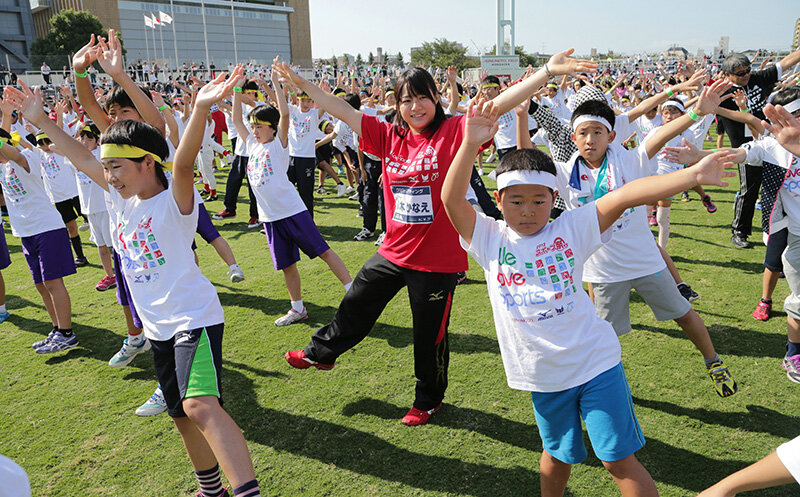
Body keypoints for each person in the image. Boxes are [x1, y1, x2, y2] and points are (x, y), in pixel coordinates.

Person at [279, 49, 598, 426]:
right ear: (397, 105)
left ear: (435, 98)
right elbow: (341, 110)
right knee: (357, 300)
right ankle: (322, 352)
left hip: (437, 260)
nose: (415, 107)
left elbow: (498, 104)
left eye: (422, 97)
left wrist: (546, 71)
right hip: (394, 251)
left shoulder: (452, 132)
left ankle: (428, 399)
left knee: (429, 336)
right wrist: (301, 85)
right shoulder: (387, 135)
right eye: (406, 99)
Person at [440, 96, 736, 497]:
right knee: (557, 455)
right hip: (544, 376)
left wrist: (693, 175)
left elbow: (627, 196)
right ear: (499, 201)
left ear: (553, 199)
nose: (528, 211)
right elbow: (451, 200)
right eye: (516, 201)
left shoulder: (571, 229)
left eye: (539, 201)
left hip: (596, 363)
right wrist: (471, 144)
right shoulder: (488, 237)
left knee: (617, 460)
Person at [5, 70, 264, 497]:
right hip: (158, 328)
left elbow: (181, 161)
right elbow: (79, 157)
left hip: (191, 319)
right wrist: (42, 122)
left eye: (117, 166)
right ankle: (210, 490)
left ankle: (246, 493)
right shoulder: (118, 201)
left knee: (200, 405)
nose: (108, 175)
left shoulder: (175, 200)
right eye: (105, 167)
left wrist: (199, 108)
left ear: (148, 162)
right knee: (181, 415)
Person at [519, 81, 739, 398]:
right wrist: (524, 117)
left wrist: (696, 112)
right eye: (583, 133)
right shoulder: (565, 172)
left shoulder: (629, 159)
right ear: (573, 138)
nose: (590, 139)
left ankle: (713, 361)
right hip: (602, 273)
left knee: (684, 314)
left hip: (645, 261)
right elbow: (528, 159)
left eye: (597, 132)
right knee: (604, 336)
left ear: (612, 135)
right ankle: (607, 386)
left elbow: (659, 135)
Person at [663, 93, 800, 385]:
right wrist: (698, 158)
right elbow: (737, 153)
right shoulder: (773, 146)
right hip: (796, 237)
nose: (788, 124)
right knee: (799, 302)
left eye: (793, 116)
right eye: (782, 119)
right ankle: (794, 352)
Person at [230, 61, 352, 326]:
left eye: (259, 126)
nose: (254, 130)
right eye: (253, 126)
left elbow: (284, 113)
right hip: (270, 218)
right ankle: (297, 309)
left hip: (292, 212)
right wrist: (237, 89)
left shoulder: (279, 144)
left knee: (324, 251)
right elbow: (236, 119)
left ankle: (353, 292)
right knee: (287, 265)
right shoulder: (252, 145)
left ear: (272, 128)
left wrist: (275, 83)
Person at [0, 126, 76, 353]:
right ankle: (56, 329)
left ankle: (67, 333)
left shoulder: (26, 159)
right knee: (40, 285)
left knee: (53, 282)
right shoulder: (1, 169)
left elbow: (15, 152)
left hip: (47, 228)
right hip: (26, 233)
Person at [720, 48, 800, 248]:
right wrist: (744, 110)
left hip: (774, 142)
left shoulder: (757, 78)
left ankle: (781, 229)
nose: (746, 75)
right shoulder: (724, 94)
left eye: (748, 70)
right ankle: (739, 231)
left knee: (778, 188)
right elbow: (740, 118)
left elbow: (786, 63)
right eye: (740, 73)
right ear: (728, 75)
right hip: (748, 148)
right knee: (749, 190)